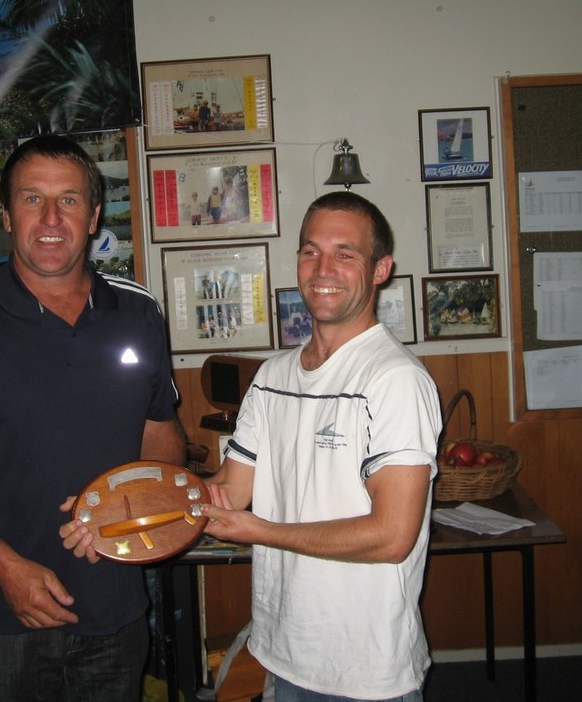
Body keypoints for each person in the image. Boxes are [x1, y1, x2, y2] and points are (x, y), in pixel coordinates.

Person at [0, 135, 185, 702]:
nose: (51, 218)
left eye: (69, 200)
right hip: (2, 617)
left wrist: (132, 506)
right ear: (5, 214)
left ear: (94, 216)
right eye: (31, 199)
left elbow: (163, 440)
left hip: (116, 614)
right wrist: (5, 567)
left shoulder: (139, 312)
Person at [148, 191, 441, 700]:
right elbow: (230, 491)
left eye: (345, 253)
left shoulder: (395, 380)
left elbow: (392, 535)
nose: (323, 267)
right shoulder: (272, 376)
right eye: (310, 251)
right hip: (282, 649)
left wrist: (261, 530)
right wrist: (126, 507)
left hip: (363, 671)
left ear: (380, 269)